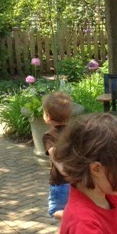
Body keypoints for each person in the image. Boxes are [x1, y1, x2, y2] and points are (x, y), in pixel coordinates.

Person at [42, 91, 73, 220]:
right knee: (73, 205)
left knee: (55, 210)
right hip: (76, 180)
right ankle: (69, 228)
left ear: (48, 116)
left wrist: (62, 170)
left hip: (60, 182)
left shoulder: (49, 136)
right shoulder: (73, 132)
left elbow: (53, 154)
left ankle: (76, 218)